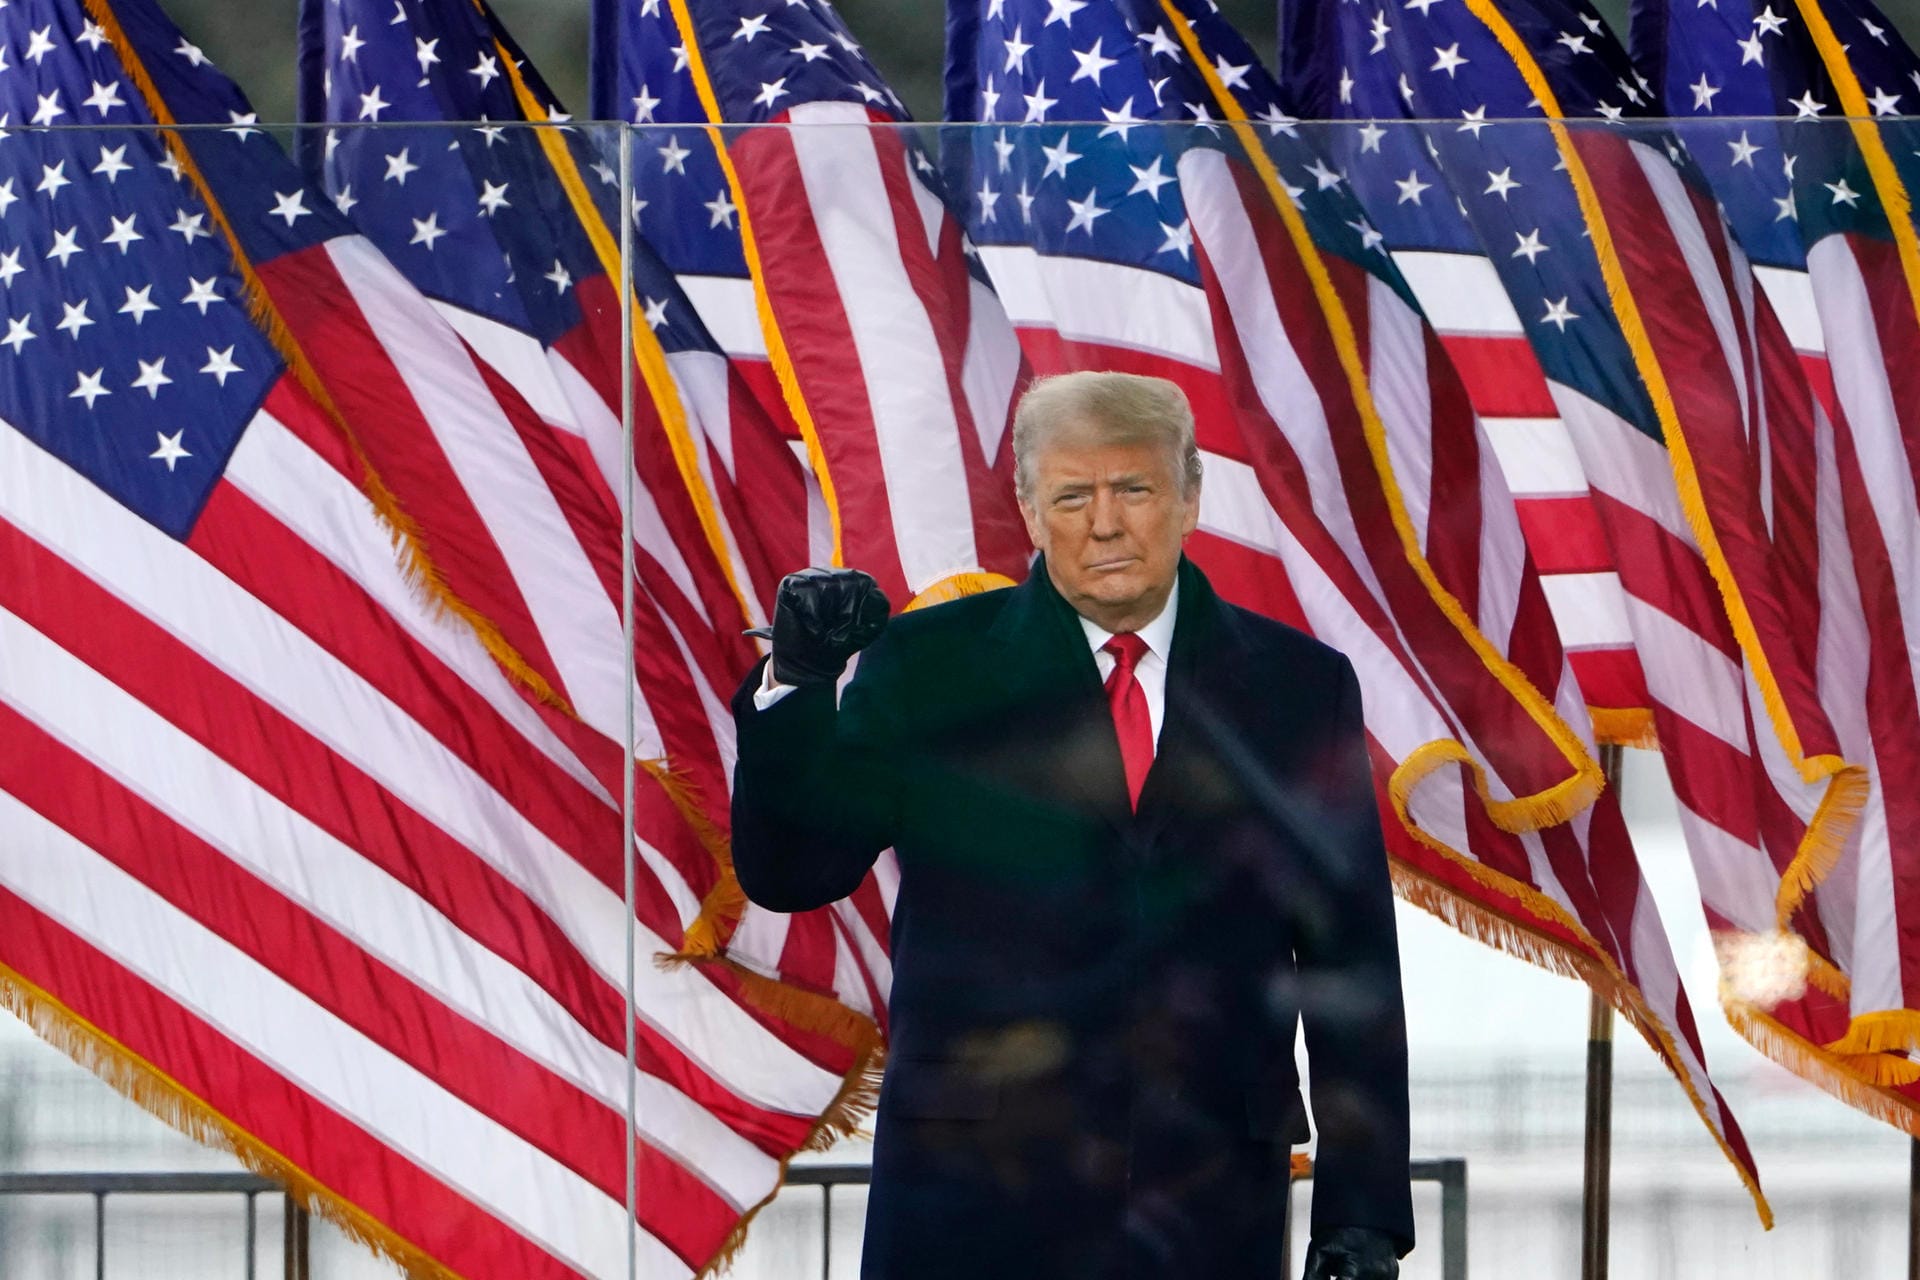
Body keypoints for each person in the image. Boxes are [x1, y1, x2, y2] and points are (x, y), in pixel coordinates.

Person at [731, 371, 1411, 1280]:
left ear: (1191, 494)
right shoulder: (929, 668)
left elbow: (1346, 960)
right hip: (970, 1198)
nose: (1105, 523)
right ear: (1026, 504)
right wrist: (801, 686)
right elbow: (793, 870)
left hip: (1209, 1204)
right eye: (1072, 495)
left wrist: (1361, 1214)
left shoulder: (1300, 686)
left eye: (1134, 488)